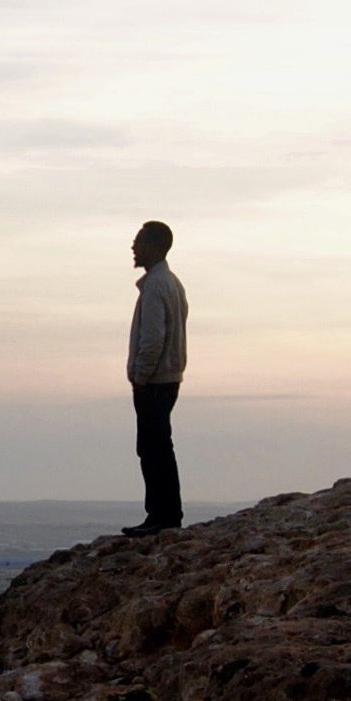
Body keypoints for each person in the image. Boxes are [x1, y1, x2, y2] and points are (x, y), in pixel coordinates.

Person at [122, 221, 189, 537]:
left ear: (154, 245)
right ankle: (164, 514)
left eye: (138, 241)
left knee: (153, 448)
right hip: (168, 378)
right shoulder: (172, 283)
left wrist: (140, 375)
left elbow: (152, 339)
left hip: (156, 381)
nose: (133, 247)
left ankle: (162, 516)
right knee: (158, 445)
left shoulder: (156, 285)